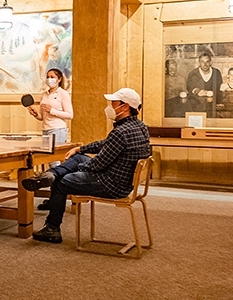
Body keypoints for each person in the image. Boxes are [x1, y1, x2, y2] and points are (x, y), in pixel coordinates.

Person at [21, 88, 151, 244]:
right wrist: (81, 149)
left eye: (113, 103)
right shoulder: (140, 127)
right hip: (124, 182)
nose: (109, 106)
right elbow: (105, 144)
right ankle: (52, 173)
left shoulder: (120, 132)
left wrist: (76, 168)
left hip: (111, 184)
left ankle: (52, 228)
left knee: (61, 182)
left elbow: (98, 164)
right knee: (77, 157)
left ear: (124, 107)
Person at [27, 68, 73, 209]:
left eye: (52, 77)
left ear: (59, 79)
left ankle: (57, 200)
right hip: (46, 130)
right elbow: (43, 117)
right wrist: (36, 114)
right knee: (51, 165)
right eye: (47, 76)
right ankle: (55, 199)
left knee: (56, 165)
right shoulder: (44, 95)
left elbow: (70, 115)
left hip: (58, 130)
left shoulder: (63, 94)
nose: (49, 79)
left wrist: (51, 110)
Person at [186, 52, 223, 117]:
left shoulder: (216, 73)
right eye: (202, 62)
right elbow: (190, 87)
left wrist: (220, 102)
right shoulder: (193, 74)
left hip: (213, 106)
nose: (205, 64)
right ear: (198, 63)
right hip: (198, 105)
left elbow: (219, 89)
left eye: (207, 61)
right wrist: (198, 91)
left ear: (211, 63)